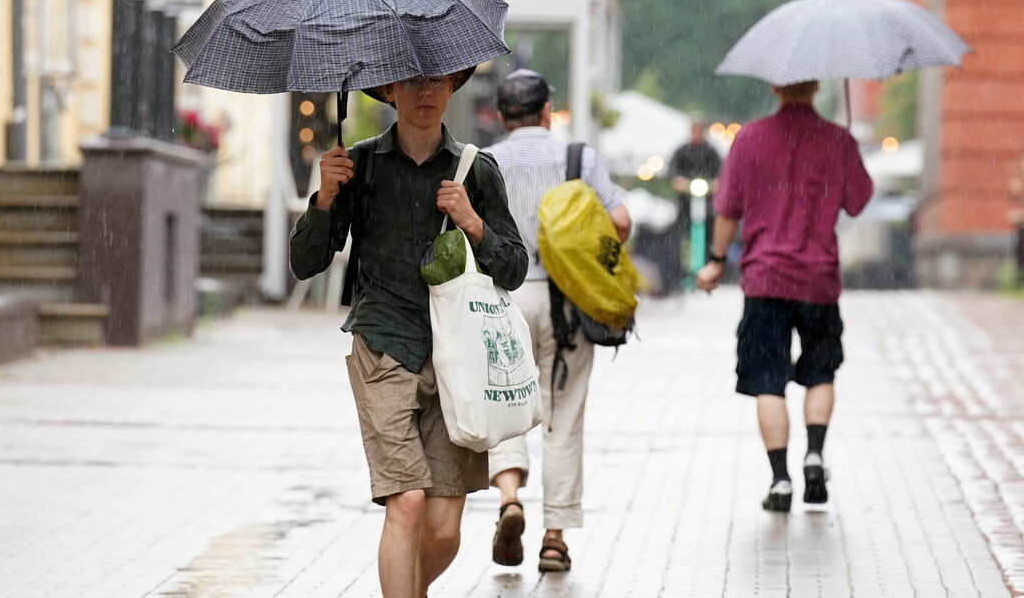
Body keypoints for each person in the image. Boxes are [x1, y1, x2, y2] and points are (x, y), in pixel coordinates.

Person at [290, 70, 528, 598]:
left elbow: (513, 268)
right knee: (409, 501)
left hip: (457, 359)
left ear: (450, 90)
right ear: (389, 92)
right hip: (383, 344)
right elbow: (305, 263)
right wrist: (325, 198)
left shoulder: (476, 170)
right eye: (412, 82)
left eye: (436, 82)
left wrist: (473, 222)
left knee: (444, 528)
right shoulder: (361, 166)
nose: (425, 93)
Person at [695, 80, 872, 512]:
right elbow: (858, 202)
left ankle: (780, 481)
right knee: (821, 371)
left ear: (776, 86)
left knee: (767, 380)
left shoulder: (750, 138)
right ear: (815, 87)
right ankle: (814, 453)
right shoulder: (838, 139)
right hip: (818, 278)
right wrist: (846, 147)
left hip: (765, 278)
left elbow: (727, 208)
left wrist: (716, 260)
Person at [483, 68, 631, 573]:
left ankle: (508, 498)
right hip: (566, 302)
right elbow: (621, 222)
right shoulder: (577, 159)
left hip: (505, 300)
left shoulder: (488, 161)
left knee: (504, 405)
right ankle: (554, 539)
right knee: (563, 418)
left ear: (502, 116)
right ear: (549, 110)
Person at [667, 117, 723, 275]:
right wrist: (678, 181)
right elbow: (673, 171)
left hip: (707, 203)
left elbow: (720, 172)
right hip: (686, 202)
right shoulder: (682, 150)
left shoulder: (711, 151)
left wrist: (715, 183)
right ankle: (682, 268)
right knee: (681, 232)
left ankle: (708, 264)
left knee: (711, 231)